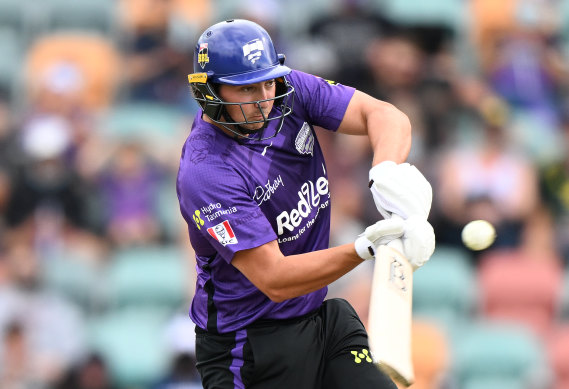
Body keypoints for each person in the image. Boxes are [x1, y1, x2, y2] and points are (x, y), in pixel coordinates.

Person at [176, 19, 435, 389]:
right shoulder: (206, 171)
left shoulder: (287, 88)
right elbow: (275, 280)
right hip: (247, 349)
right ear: (210, 91)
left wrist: (385, 172)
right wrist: (366, 248)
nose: (264, 99)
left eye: (268, 82)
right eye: (246, 89)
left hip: (322, 320)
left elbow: (383, 115)